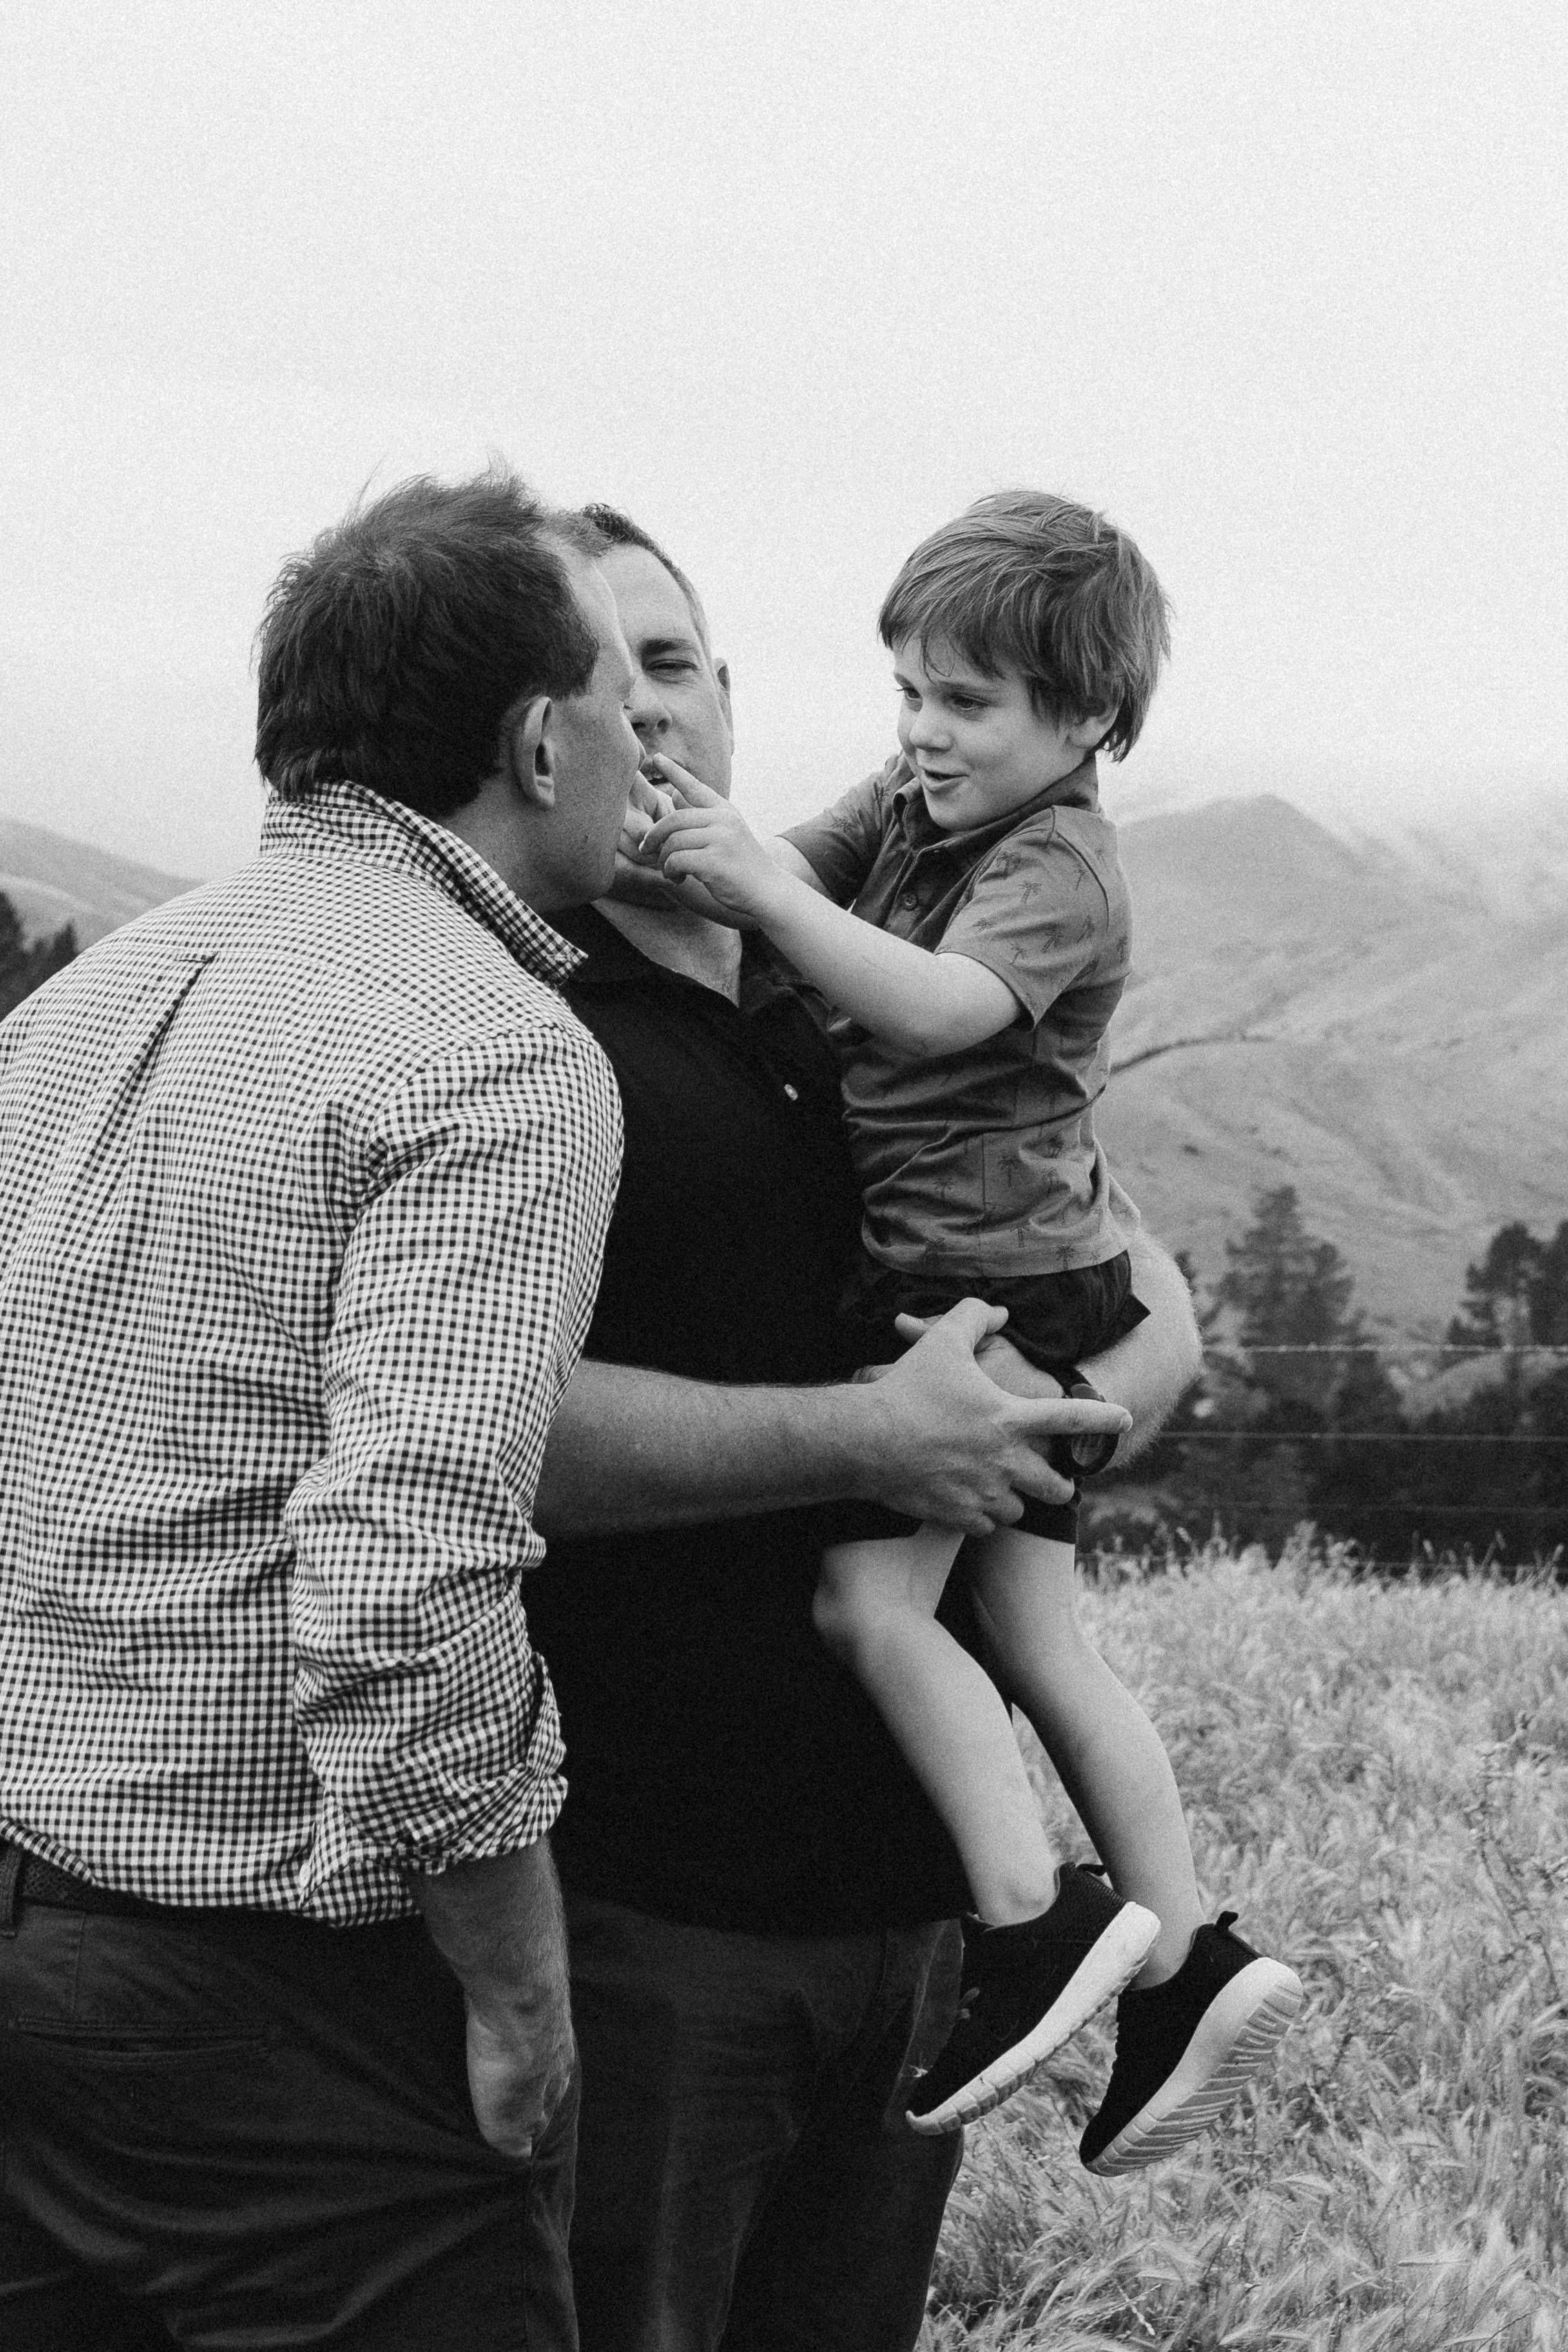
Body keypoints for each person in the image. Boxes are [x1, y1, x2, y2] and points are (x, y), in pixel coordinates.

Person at [524, 503, 1203, 2352]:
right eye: (589, 671)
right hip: (657, 1910)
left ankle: (1126, 1936)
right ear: (522, 727)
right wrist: (870, 1440)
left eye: (669, 662)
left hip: (909, 1927)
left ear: (729, 697)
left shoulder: (865, 987)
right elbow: (476, 1432)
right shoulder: (519, 1029)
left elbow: (1143, 1302)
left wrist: (1054, 1423)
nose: (642, 712)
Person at [0, 472, 641, 2351]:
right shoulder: (495, 1050)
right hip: (293, 2003)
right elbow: (403, 1586)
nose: (643, 749)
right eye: (621, 700)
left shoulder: (78, 1009)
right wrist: (521, 1985)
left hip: (34, 1932)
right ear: (535, 736)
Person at [637, 490, 1301, 2171]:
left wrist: (761, 907)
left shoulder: (1059, 859)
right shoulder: (926, 799)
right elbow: (785, 867)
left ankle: (1030, 1918)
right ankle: (1188, 1952)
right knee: (1038, 1642)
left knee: (868, 1606)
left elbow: (932, 1005)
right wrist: (700, 849)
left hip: (970, 1291)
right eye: (910, 695)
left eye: (966, 704)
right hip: (1011, 1274)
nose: (924, 733)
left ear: (1083, 719)